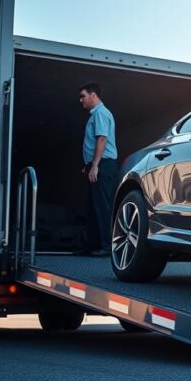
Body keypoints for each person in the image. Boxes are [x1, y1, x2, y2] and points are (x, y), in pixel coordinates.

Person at [78, 83, 119, 257]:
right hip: (96, 164)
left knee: (102, 206)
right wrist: (88, 165)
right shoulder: (96, 114)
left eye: (83, 96)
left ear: (93, 95)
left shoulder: (101, 113)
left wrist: (94, 165)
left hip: (103, 164)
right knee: (92, 206)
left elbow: (101, 139)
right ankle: (92, 245)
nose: (81, 100)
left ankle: (107, 246)